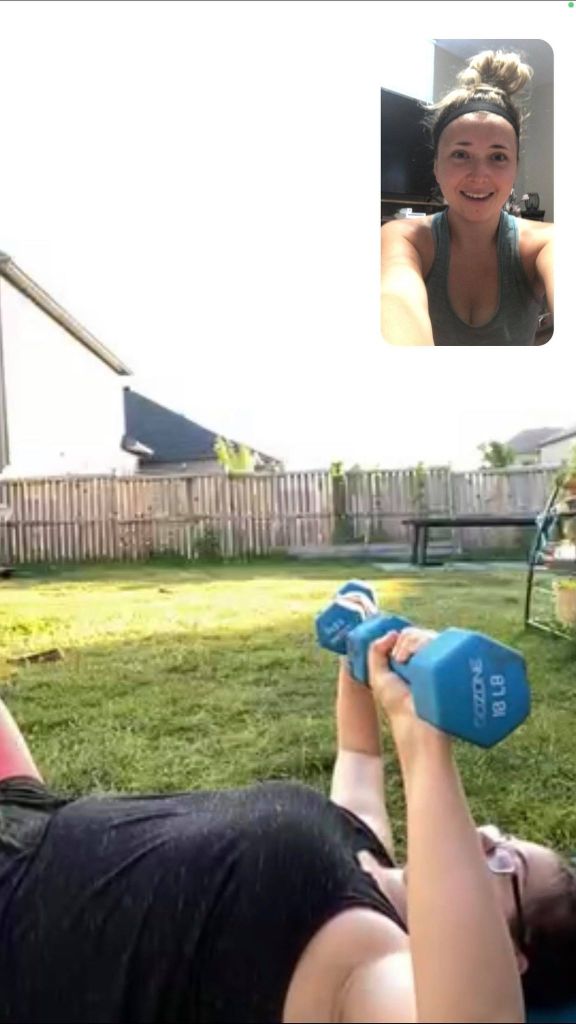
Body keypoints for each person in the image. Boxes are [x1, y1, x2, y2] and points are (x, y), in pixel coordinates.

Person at [0, 628, 574, 1023]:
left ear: (511, 957)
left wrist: (424, 743)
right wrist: (362, 658)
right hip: (29, 815)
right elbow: (358, 758)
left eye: (507, 863)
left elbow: (477, 1015)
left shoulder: (371, 971)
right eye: (502, 836)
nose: (484, 837)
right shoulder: (366, 846)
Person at [380, 50, 554, 346]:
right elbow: (395, 298)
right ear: (436, 167)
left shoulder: (545, 244)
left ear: (514, 169)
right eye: (461, 154)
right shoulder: (404, 238)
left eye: (498, 156)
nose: (479, 175)